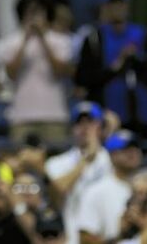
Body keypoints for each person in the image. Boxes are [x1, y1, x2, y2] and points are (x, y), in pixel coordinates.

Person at [75, 0, 147, 135]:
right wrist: (115, 66)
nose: (116, 9)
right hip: (106, 119)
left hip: (141, 117)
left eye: (120, 4)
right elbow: (83, 78)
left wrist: (136, 59)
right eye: (111, 5)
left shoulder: (141, 34)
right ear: (104, 8)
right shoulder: (94, 39)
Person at [1, 0, 73, 145]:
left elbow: (60, 71)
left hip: (54, 115)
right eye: (30, 12)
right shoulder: (11, 42)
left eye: (38, 12)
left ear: (48, 15)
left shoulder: (61, 40)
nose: (34, 17)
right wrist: (25, 40)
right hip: (21, 115)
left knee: (56, 163)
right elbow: (11, 74)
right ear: (22, 15)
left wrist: (43, 39)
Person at [44, 102, 110, 244]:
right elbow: (59, 191)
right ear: (72, 129)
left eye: (91, 122)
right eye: (79, 123)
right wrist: (85, 161)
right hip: (72, 236)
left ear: (100, 127)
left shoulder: (112, 159)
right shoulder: (56, 163)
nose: (85, 128)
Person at [77, 130, 142, 244]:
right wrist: (120, 235)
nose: (133, 153)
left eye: (135, 147)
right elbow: (85, 238)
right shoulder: (96, 190)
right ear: (112, 155)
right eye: (125, 149)